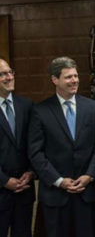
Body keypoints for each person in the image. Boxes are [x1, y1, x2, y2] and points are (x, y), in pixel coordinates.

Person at [28, 56, 95, 237]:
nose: (74, 80)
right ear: (55, 80)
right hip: (55, 196)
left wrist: (89, 175)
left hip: (86, 194)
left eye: (76, 76)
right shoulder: (40, 111)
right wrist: (58, 180)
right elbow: (35, 153)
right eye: (68, 77)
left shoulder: (92, 107)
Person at [0, 58, 35, 237]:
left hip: (24, 190)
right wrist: (5, 181)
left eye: (10, 72)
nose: (9, 77)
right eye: (3, 74)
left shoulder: (26, 105)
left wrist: (30, 172)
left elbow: (34, 144)